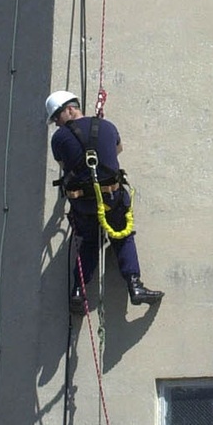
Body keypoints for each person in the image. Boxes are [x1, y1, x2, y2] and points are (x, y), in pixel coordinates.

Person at [46, 91, 164, 313]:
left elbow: (65, 165)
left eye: (56, 117)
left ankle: (79, 292)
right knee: (122, 235)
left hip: (83, 204)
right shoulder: (107, 127)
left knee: (90, 241)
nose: (56, 124)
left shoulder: (59, 139)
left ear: (70, 109)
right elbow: (117, 150)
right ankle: (135, 285)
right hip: (112, 197)